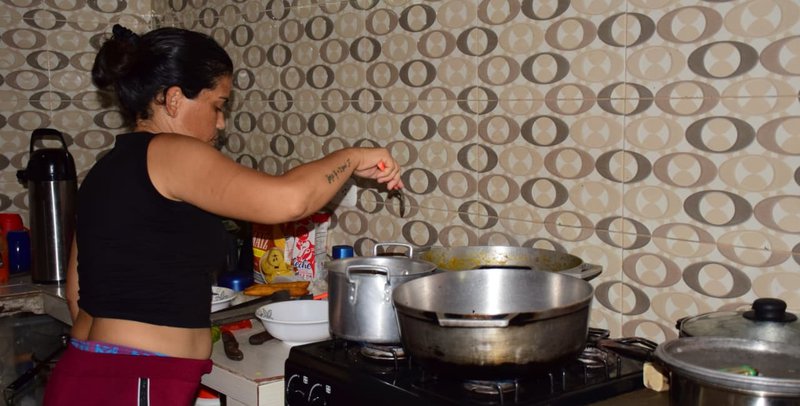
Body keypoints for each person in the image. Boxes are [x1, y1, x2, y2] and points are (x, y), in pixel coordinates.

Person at [43, 24, 403, 406]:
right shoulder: (171, 153)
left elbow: (77, 291)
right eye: (217, 105)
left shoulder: (105, 169)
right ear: (174, 99)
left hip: (90, 370)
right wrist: (352, 158)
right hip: (136, 379)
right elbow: (287, 200)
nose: (221, 122)